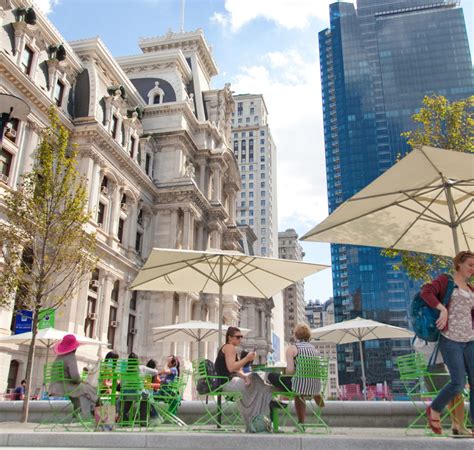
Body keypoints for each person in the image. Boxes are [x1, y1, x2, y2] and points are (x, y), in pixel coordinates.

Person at [424, 251, 474, 437]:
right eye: (470, 264)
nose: (473, 269)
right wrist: (442, 308)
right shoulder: (446, 281)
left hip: (470, 340)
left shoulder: (470, 288)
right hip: (451, 339)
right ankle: (434, 409)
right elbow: (426, 292)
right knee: (457, 383)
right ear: (459, 264)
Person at [215, 326, 273, 432]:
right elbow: (231, 367)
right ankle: (257, 419)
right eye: (237, 337)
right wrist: (247, 359)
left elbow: (236, 370)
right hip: (226, 383)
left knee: (257, 382)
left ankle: (255, 420)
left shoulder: (231, 348)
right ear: (230, 337)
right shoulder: (229, 347)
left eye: (241, 337)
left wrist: (244, 376)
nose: (240, 339)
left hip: (228, 381)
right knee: (259, 383)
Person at [268, 323, 324, 429]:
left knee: (271, 376)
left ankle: (275, 402)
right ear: (308, 336)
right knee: (299, 393)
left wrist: (285, 372)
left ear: (296, 335)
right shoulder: (315, 350)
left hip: (298, 386)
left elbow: (289, 371)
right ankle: (300, 423)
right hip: (315, 386)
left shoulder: (293, 349)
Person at [48, 334, 97, 418]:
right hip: (64, 387)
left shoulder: (59, 357)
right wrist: (81, 380)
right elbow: (75, 377)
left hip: (54, 386)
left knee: (79, 396)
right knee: (89, 388)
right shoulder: (71, 357)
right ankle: (97, 410)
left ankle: (77, 416)